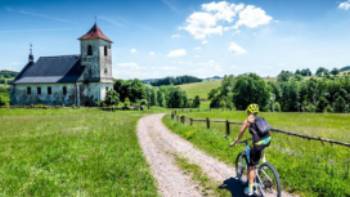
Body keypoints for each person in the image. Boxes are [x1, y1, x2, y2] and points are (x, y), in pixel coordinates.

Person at [230, 103, 271, 196]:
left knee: (251, 166)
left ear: (248, 112)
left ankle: (250, 189)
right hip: (268, 140)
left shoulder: (248, 120)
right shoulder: (262, 119)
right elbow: (268, 131)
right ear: (257, 112)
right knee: (260, 147)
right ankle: (263, 163)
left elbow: (241, 133)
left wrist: (235, 142)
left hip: (257, 144)